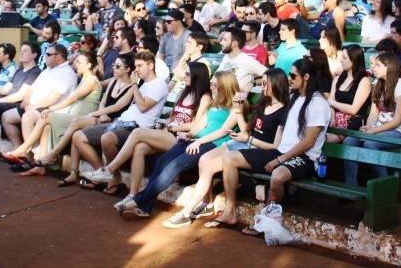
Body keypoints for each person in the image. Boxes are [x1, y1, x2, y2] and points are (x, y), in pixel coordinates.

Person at [209, 58, 331, 229]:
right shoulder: (294, 97)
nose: (289, 79)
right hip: (280, 152)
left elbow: (309, 142)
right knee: (229, 158)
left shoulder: (318, 103)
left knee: (277, 175)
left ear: (306, 77)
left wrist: (280, 159)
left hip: (306, 158)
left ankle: (264, 221)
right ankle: (230, 212)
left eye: (293, 76)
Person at [162, 68, 289, 228]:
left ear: (276, 84)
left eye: (265, 83)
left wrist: (249, 139)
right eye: (262, 83)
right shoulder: (263, 104)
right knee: (204, 160)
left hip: (260, 150)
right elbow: (245, 130)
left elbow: (275, 146)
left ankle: (186, 212)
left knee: (209, 166)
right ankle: (207, 204)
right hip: (244, 143)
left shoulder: (284, 110)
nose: (262, 87)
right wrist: (237, 109)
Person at [115, 70, 243, 219]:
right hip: (196, 141)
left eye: (215, 84)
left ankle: (137, 201)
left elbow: (222, 131)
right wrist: (189, 135)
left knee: (174, 166)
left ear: (224, 86)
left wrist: (198, 141)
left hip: (213, 145)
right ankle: (145, 207)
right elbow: (201, 126)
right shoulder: (214, 103)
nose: (211, 87)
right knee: (163, 160)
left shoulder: (236, 107)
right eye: (211, 84)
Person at [81, 61, 211, 195]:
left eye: (188, 74)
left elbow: (195, 124)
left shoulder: (204, 97)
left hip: (181, 139)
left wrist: (173, 128)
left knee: (137, 132)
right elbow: (172, 118)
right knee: (139, 148)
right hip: (167, 133)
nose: (184, 76)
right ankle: (132, 194)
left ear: (197, 76)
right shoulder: (183, 93)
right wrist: (164, 123)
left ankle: (109, 170)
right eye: (185, 73)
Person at [68, 51, 169, 193]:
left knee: (107, 138)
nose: (136, 69)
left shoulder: (159, 84)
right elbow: (122, 104)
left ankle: (112, 176)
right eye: (136, 66)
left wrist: (134, 85)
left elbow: (143, 106)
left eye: (140, 66)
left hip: (136, 127)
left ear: (151, 66)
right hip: (120, 122)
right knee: (78, 136)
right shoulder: (143, 84)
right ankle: (105, 174)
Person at [2, 52, 103, 169]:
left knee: (47, 116)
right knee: (46, 124)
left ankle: (23, 149)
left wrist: (50, 109)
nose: (76, 64)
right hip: (72, 116)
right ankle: (39, 165)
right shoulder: (84, 79)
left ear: (89, 65)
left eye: (79, 62)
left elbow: (72, 99)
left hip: (82, 119)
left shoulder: (91, 80)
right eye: (76, 62)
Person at [343, 53, 401, 185]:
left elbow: (397, 121)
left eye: (378, 65)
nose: (373, 68)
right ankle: (350, 184)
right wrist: (368, 128)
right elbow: (373, 114)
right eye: (374, 65)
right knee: (349, 141)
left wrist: (373, 132)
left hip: (399, 132)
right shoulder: (377, 85)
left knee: (370, 143)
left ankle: (384, 184)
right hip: (378, 130)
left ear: (389, 67)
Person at [326, 45, 371, 141]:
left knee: (322, 139)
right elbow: (330, 101)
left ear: (354, 60)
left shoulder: (364, 81)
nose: (341, 60)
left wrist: (332, 103)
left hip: (351, 125)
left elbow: (353, 110)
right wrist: (332, 117)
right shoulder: (338, 78)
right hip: (333, 121)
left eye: (344, 58)